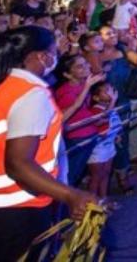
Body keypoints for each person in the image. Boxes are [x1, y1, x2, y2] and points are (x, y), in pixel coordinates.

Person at [0, 27, 97, 261]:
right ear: (41, 56)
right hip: (15, 211)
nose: (56, 57)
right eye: (54, 51)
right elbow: (18, 164)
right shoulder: (31, 93)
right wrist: (71, 195)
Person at [54, 54, 103, 187]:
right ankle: (65, 205)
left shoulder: (83, 84)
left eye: (86, 63)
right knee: (71, 175)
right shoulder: (66, 92)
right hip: (77, 138)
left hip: (89, 133)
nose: (87, 67)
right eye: (80, 66)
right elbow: (65, 117)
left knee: (80, 173)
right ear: (68, 75)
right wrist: (87, 86)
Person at [86, 81, 123, 208]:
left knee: (106, 172)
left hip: (109, 145)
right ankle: (92, 204)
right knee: (96, 176)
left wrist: (117, 135)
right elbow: (103, 120)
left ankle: (103, 199)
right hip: (98, 148)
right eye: (106, 90)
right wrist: (113, 102)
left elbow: (114, 123)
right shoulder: (95, 110)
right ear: (96, 97)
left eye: (111, 89)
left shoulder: (112, 108)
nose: (110, 92)